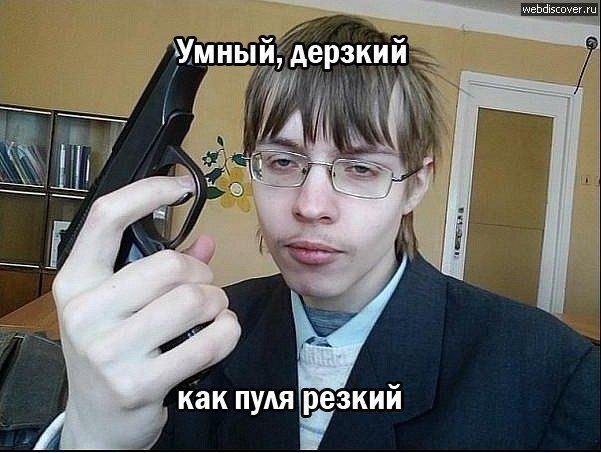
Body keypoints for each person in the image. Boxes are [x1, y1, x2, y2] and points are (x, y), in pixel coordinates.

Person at [39, 15, 599, 450]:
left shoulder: (555, 373)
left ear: (415, 185)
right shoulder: (182, 343)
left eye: (361, 168)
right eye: (283, 162)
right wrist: (90, 437)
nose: (310, 206)